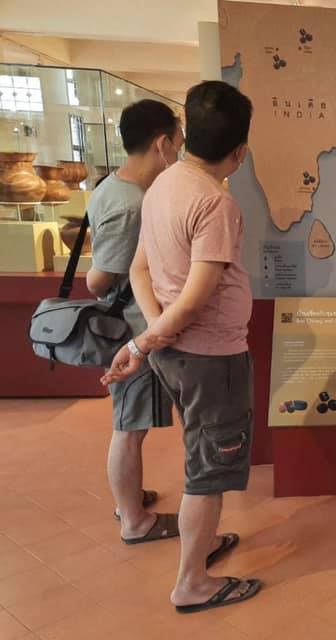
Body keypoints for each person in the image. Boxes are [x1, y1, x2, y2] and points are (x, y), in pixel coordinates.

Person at [102, 80, 261, 611]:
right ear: (240, 152)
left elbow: (139, 269)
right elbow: (194, 301)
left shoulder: (163, 184)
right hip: (211, 358)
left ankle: (202, 542)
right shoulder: (215, 202)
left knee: (201, 450)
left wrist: (153, 337)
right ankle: (192, 582)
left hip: (176, 353)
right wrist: (147, 342)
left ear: (185, 135)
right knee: (209, 470)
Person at [86, 100, 183, 542]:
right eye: (178, 143)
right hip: (131, 329)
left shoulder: (113, 185)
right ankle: (133, 520)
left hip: (132, 327)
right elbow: (97, 280)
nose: (178, 153)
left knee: (130, 425)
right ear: (162, 144)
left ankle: (129, 498)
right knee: (129, 427)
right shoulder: (133, 205)